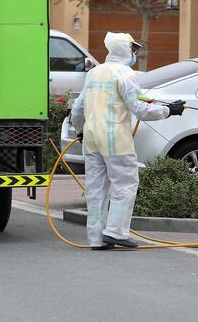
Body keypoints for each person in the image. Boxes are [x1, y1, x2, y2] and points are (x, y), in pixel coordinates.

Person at [70, 32, 185, 250]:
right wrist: (169, 110)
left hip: (91, 138)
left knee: (95, 190)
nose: (134, 54)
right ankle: (115, 232)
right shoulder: (125, 74)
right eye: (133, 49)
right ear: (125, 49)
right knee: (125, 184)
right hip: (115, 139)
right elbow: (140, 110)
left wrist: (80, 131)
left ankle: (96, 238)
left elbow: (78, 109)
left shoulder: (94, 73)